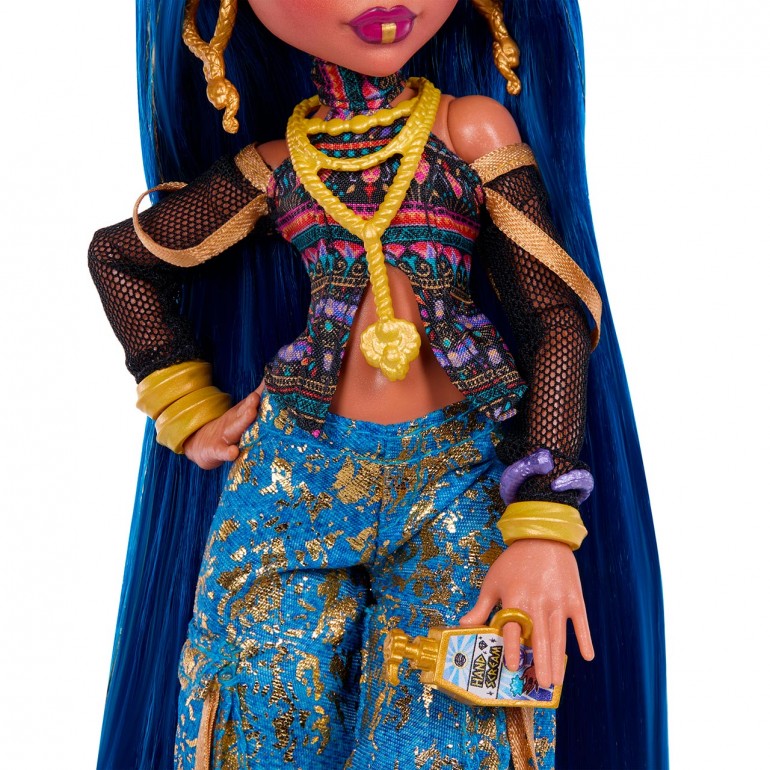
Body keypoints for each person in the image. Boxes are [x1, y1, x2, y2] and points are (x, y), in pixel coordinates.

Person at [89, 1, 667, 767]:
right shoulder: (276, 166)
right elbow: (119, 258)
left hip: (458, 479)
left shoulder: (470, 130)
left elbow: (553, 320)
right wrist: (184, 407)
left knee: (462, 723)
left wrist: (543, 519)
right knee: (253, 719)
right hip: (295, 472)